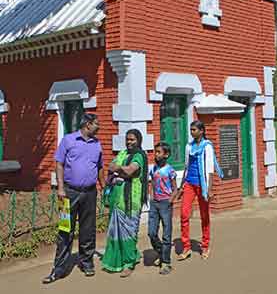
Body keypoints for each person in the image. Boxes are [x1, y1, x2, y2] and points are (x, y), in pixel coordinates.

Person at [43, 113, 105, 284]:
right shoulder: (68, 140)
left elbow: (100, 167)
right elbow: (59, 164)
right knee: (64, 229)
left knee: (88, 229)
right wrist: (60, 187)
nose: (98, 127)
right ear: (87, 124)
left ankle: (87, 263)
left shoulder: (97, 144)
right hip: (68, 192)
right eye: (96, 124)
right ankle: (59, 268)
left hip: (90, 193)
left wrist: (104, 186)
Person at [101, 129, 148, 278]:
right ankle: (119, 260)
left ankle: (129, 263)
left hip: (131, 200)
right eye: (127, 139)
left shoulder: (139, 156)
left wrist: (119, 170)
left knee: (129, 231)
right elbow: (110, 167)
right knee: (115, 230)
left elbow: (130, 170)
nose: (129, 142)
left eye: (132, 140)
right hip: (117, 198)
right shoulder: (122, 153)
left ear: (138, 140)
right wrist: (119, 170)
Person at [177, 120, 222, 262]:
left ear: (201, 131)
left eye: (194, 129)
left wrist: (209, 190)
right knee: (184, 214)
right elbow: (186, 166)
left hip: (202, 185)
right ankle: (186, 247)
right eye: (191, 130)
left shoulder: (207, 146)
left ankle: (205, 245)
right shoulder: (188, 146)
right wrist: (181, 186)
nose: (192, 132)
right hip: (190, 184)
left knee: (204, 216)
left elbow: (210, 169)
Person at [148, 142, 177, 275]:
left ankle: (166, 262)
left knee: (166, 234)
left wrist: (170, 200)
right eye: (155, 152)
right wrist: (151, 198)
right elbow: (152, 184)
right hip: (154, 204)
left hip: (166, 204)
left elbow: (175, 188)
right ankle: (161, 252)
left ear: (166, 154)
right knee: (151, 232)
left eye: (159, 152)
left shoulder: (170, 170)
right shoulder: (153, 169)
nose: (156, 154)